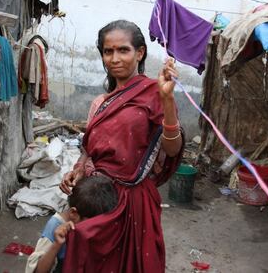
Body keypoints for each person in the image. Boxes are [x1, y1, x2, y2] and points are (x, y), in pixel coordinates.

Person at [59, 20, 184, 273]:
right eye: (108, 51)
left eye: (123, 50)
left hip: (133, 201)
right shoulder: (99, 103)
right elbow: (89, 150)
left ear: (139, 53)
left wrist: (168, 99)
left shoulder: (156, 94)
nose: (115, 58)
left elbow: (172, 150)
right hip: (96, 199)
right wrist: (78, 171)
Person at [25, 175, 118, 273]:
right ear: (74, 213)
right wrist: (57, 244)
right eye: (93, 224)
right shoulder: (55, 227)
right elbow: (38, 271)